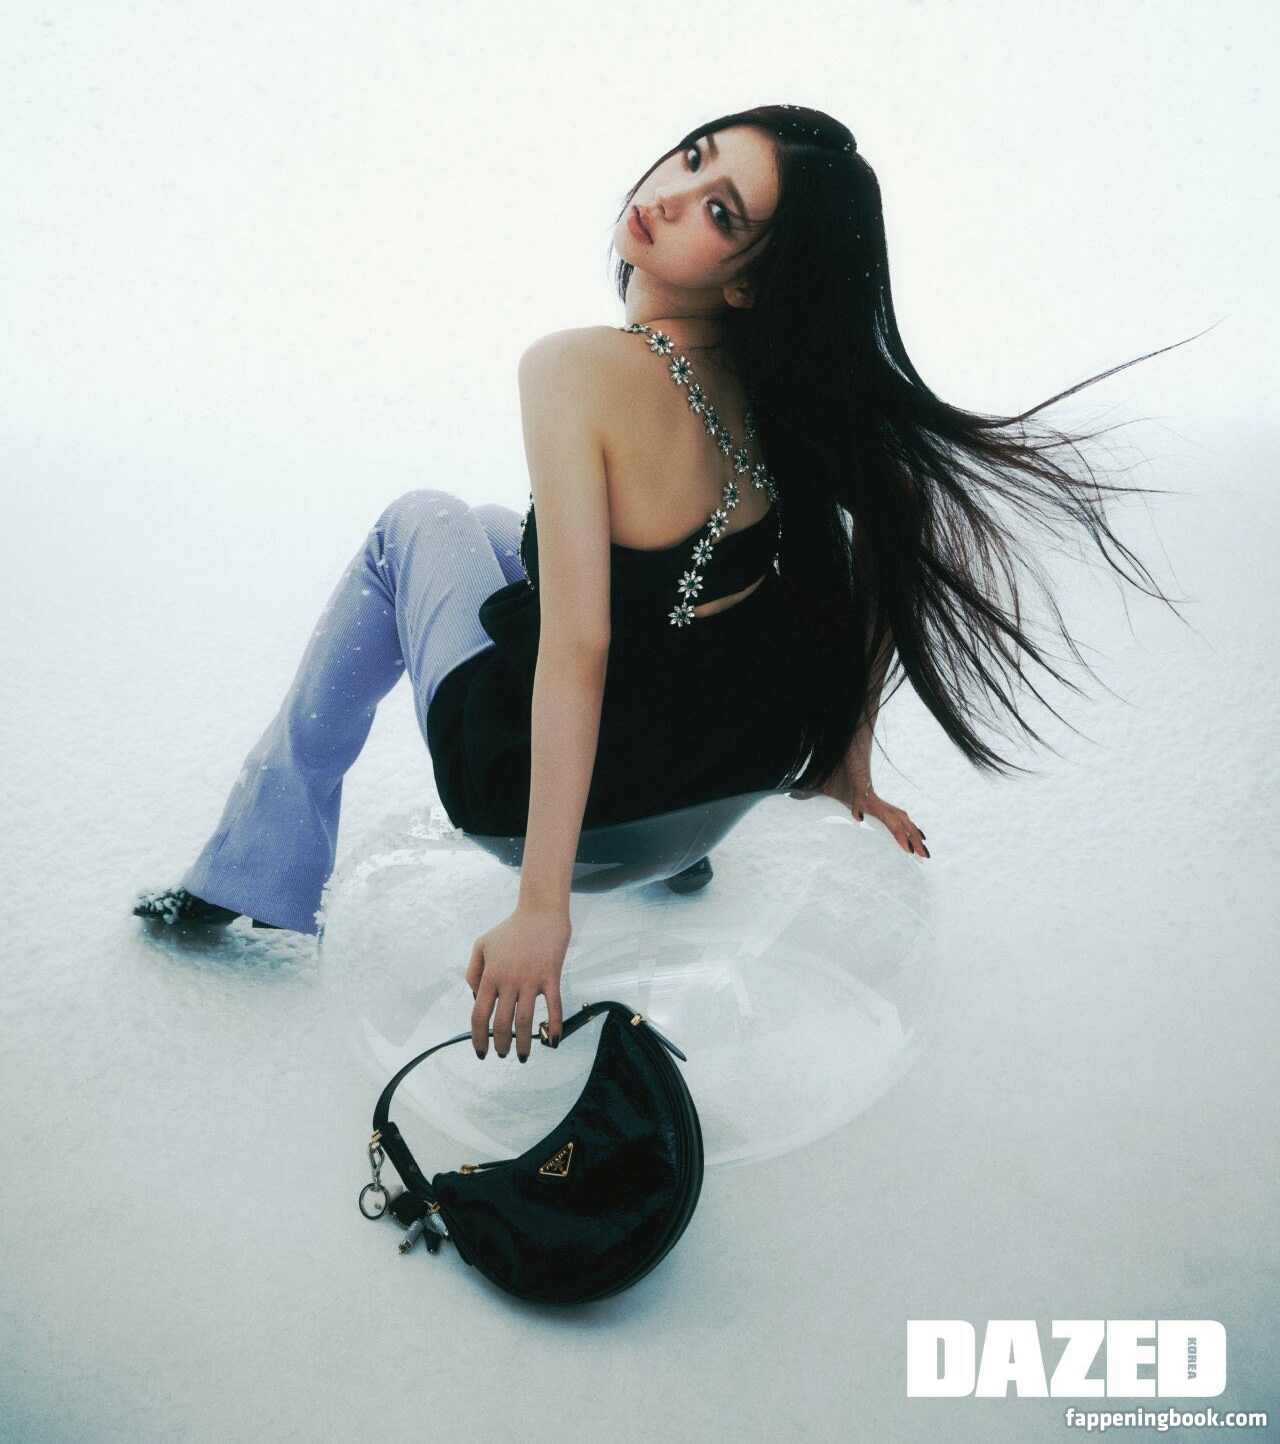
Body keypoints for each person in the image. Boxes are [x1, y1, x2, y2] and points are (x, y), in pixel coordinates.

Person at [133, 102, 1191, 1066]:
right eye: (692, 158)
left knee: (414, 523)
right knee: (500, 531)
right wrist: (844, 763)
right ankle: (674, 865)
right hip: (715, 792)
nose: (670, 195)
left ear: (748, 279)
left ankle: (250, 873)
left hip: (559, 817)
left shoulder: (574, 366)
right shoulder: (776, 385)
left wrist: (542, 908)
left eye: (720, 212)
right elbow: (895, 519)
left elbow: (580, 644)